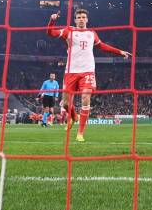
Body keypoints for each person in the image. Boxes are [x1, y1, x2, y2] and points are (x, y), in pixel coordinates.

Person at [47, 9, 130, 142]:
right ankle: (74, 117)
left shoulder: (92, 33)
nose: (81, 19)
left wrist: (119, 52)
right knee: (66, 104)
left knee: (85, 97)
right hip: (70, 71)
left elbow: (102, 46)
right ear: (75, 20)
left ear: (87, 19)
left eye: (83, 17)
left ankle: (80, 133)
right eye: (79, 17)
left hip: (87, 71)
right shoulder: (68, 31)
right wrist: (52, 20)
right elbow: (50, 33)